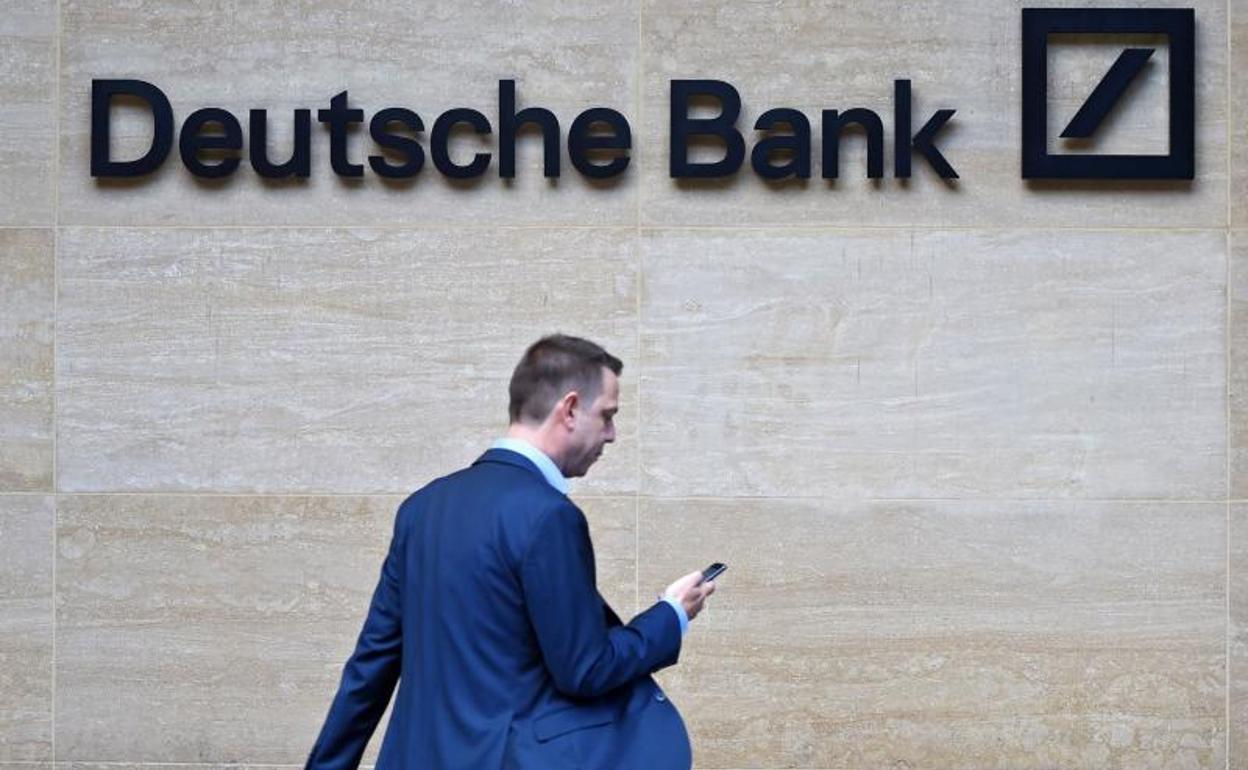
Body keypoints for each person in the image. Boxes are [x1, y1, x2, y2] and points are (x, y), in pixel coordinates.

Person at [305, 333, 716, 770]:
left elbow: (370, 667)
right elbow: (585, 669)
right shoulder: (549, 516)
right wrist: (671, 615)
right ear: (570, 409)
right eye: (607, 416)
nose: (612, 435)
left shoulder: (422, 508)